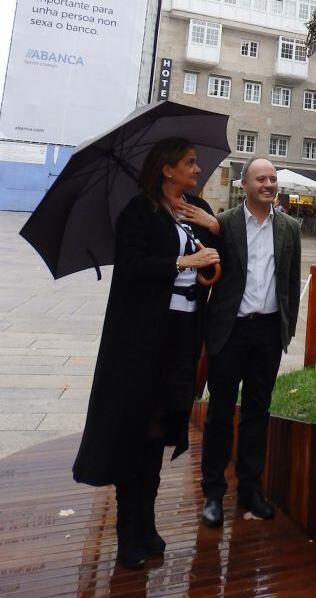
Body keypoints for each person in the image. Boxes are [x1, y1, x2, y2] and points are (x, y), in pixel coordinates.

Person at [73, 138, 220, 569]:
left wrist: (212, 229)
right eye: (189, 164)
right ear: (166, 170)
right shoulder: (138, 212)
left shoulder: (194, 208)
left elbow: (216, 259)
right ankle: (127, 533)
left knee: (160, 429)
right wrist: (182, 264)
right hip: (142, 341)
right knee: (136, 432)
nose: (196, 170)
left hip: (181, 336)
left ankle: (148, 524)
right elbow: (133, 268)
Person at [200, 157, 301, 527]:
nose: (269, 184)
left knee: (258, 411)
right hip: (231, 331)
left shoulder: (289, 227)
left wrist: (285, 329)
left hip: (268, 332)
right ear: (244, 185)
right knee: (220, 412)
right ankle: (212, 492)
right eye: (261, 179)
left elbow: (291, 283)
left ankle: (250, 489)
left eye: (273, 179)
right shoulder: (224, 225)